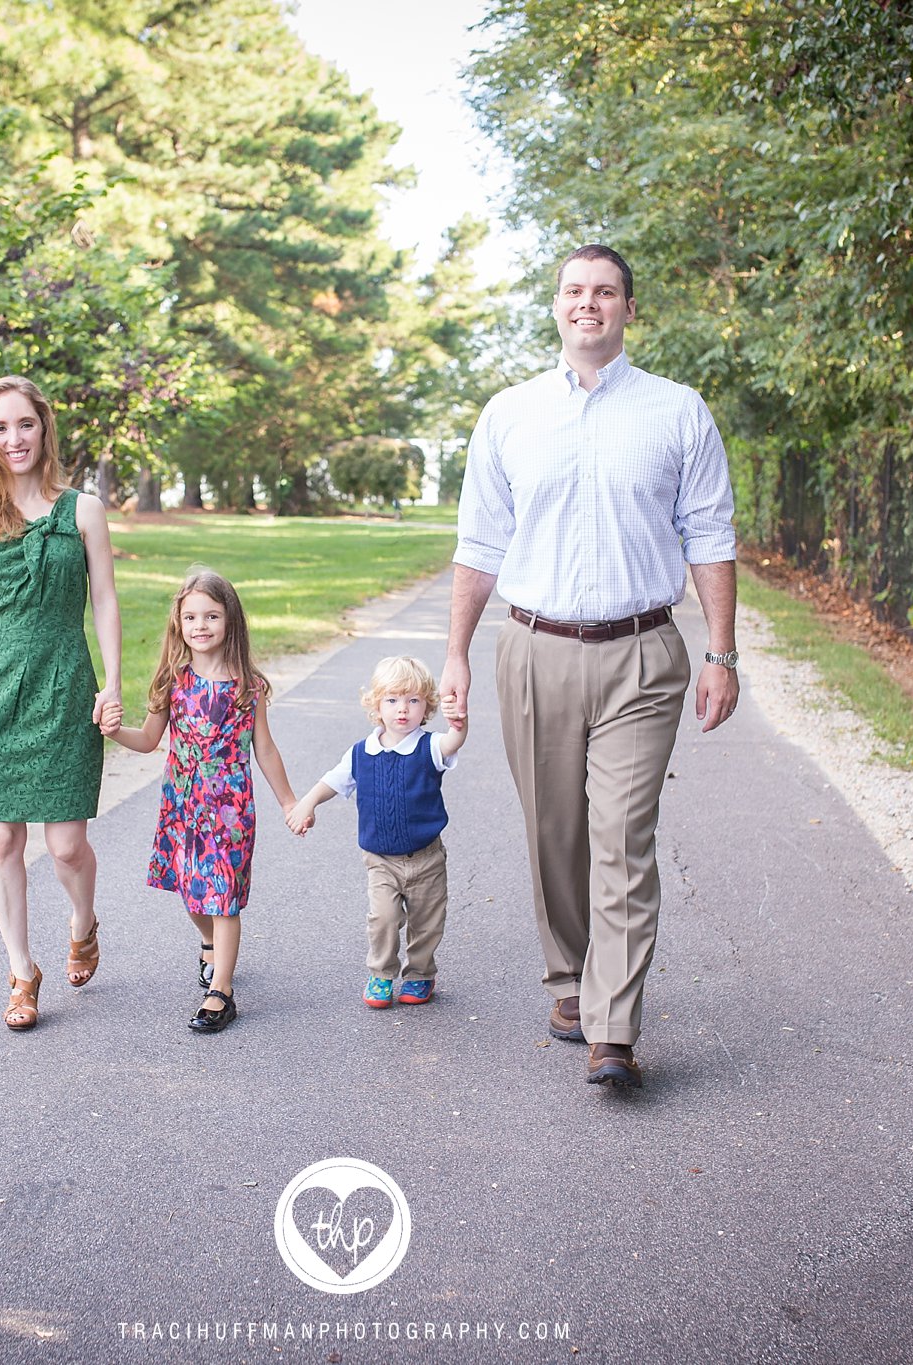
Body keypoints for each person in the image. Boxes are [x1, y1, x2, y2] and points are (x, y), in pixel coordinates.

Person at [439, 244, 739, 1089]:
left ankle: (614, 1027)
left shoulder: (678, 412)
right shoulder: (509, 414)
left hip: (644, 654)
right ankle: (569, 980)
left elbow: (711, 535)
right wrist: (457, 651)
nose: (588, 303)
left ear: (627, 309)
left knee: (621, 836)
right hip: (532, 647)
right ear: (557, 305)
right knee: (555, 835)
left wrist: (720, 651)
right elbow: (479, 544)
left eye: (605, 291)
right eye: (574, 290)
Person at [0, 375, 123, 1033]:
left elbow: (103, 598)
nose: (13, 438)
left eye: (25, 424)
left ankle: (83, 921)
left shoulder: (84, 510)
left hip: (65, 680)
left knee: (67, 844)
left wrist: (113, 681)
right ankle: (21, 971)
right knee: (2, 838)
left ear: (44, 427)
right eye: (0, 427)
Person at [109, 566, 298, 1033]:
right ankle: (211, 946)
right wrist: (114, 732)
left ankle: (222, 992)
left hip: (230, 809)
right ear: (178, 623)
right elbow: (151, 738)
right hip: (183, 806)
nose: (200, 626)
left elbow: (266, 749)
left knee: (223, 898)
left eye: (211, 616)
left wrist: (290, 802)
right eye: (190, 617)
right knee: (193, 895)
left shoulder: (247, 687)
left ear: (230, 620)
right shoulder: (174, 681)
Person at [286, 656, 468, 1008]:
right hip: (381, 860)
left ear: (426, 706)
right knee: (383, 918)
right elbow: (332, 781)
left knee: (427, 922)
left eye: (413, 700)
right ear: (376, 705)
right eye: (392, 700)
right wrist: (307, 803)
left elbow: (453, 741)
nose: (403, 709)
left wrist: (458, 721)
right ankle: (382, 974)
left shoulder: (429, 747)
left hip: (426, 857)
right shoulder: (360, 753)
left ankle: (419, 974)